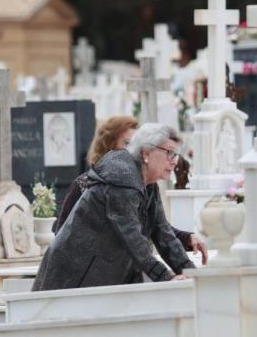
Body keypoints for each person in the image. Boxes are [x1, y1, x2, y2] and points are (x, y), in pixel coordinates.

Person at [33, 123, 197, 291]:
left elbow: (163, 233)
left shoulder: (148, 184)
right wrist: (166, 277)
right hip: (74, 279)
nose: (175, 162)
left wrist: (192, 274)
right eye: (170, 153)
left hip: (100, 279)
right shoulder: (121, 179)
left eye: (176, 155)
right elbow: (133, 238)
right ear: (146, 153)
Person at [53, 116, 208, 264]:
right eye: (128, 143)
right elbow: (63, 235)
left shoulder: (147, 185)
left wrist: (187, 238)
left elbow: (157, 227)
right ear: (108, 145)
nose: (135, 148)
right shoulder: (85, 184)